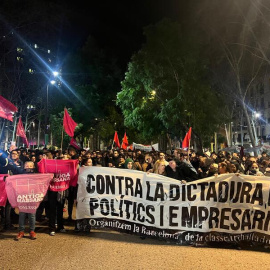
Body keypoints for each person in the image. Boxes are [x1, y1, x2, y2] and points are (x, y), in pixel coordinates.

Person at [15, 161, 37, 240]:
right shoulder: (20, 175)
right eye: (27, 166)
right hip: (22, 196)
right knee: (22, 214)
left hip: (32, 197)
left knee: (32, 215)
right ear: (24, 167)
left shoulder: (36, 176)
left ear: (33, 167)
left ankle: (32, 231)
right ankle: (21, 231)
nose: (28, 167)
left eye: (30, 166)